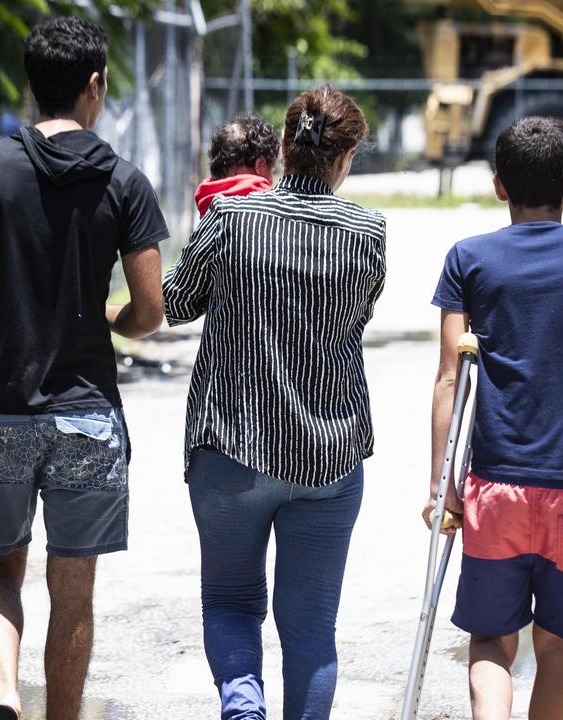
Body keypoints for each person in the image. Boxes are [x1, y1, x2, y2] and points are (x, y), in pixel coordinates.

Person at [0, 16, 168, 720]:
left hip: (2, 407)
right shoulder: (124, 182)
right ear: (95, 85)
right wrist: (111, 320)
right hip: (88, 412)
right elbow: (149, 309)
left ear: (30, 85)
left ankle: (3, 693)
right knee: (74, 586)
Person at [163, 85, 386, 720]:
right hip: (329, 458)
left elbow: (176, 304)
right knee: (311, 628)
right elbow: (356, 317)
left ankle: (242, 709)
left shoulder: (228, 222)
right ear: (346, 158)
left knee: (232, 602)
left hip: (231, 450)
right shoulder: (369, 233)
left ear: (282, 147)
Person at [424, 116, 563, 720]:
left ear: (499, 185)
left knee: (491, 642)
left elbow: (451, 374)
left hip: (494, 491)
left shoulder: (468, 259)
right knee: (557, 648)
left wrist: (440, 486)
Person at [194, 115, 279, 217]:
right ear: (260, 164)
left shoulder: (205, 204)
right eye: (271, 171)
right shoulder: (269, 209)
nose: (271, 181)